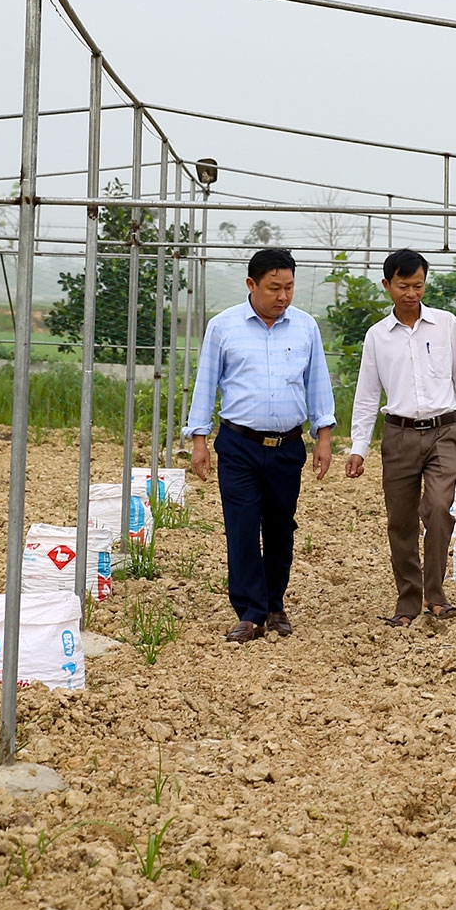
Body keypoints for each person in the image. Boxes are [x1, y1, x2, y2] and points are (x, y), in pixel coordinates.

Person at [184, 248, 336, 643]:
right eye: (274, 288)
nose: (282, 296)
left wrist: (324, 437)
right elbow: (206, 383)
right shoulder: (224, 327)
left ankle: (275, 605)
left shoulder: (305, 327)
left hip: (287, 445)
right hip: (238, 444)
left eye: (288, 287)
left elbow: (317, 382)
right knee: (243, 526)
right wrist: (199, 439)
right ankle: (250, 612)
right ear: (251, 285)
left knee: (281, 527)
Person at [345, 249, 456, 627]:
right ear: (387, 286)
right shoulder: (377, 336)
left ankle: (436, 594)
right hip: (399, 435)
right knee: (401, 521)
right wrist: (358, 448)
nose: (411, 293)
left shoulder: (446, 324)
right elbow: (366, 396)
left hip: (445, 431)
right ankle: (408, 601)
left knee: (440, 508)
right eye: (403, 285)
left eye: (418, 285)